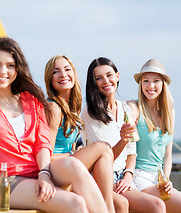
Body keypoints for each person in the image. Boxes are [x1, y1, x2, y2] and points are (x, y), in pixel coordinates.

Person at [0, 38, 111, 213]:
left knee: (75, 165)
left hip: (41, 171)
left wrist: (45, 175)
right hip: (9, 183)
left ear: (18, 68)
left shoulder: (31, 99)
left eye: (10, 65)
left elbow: (42, 143)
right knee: (76, 203)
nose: (3, 71)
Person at [44, 55, 128, 213]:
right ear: (50, 79)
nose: (63, 74)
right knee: (103, 148)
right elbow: (46, 154)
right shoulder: (53, 108)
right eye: (56, 72)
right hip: (56, 170)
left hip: (70, 167)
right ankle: (107, 208)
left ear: (74, 74)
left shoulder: (72, 107)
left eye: (67, 69)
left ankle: (107, 205)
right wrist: (73, 154)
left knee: (121, 203)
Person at [82, 57, 167, 213]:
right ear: (94, 83)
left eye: (109, 75)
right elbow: (104, 159)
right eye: (98, 78)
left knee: (158, 205)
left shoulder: (125, 109)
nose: (106, 81)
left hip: (124, 177)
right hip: (102, 177)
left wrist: (128, 174)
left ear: (117, 76)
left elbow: (132, 151)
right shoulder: (90, 113)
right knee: (123, 204)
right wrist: (122, 140)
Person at [127, 59, 181, 213]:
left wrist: (166, 179)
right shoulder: (134, 107)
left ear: (163, 84)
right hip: (139, 178)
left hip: (159, 180)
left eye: (156, 81)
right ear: (141, 84)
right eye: (146, 81)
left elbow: (168, 156)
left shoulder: (169, 113)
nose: (151, 86)